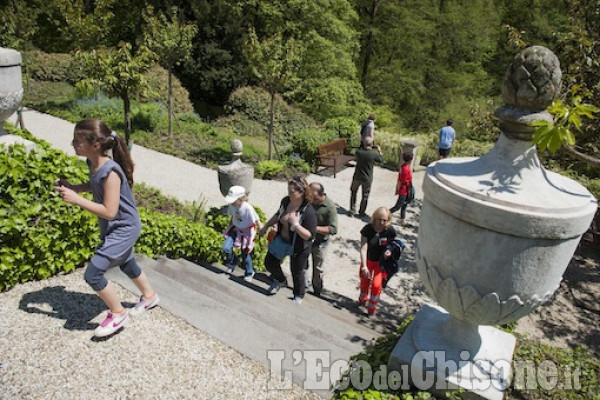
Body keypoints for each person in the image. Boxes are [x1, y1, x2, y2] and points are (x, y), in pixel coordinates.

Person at [55, 119, 159, 338]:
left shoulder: (111, 172)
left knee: (93, 274)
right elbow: (95, 186)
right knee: (127, 263)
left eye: (77, 141)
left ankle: (118, 312)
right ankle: (149, 296)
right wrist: (75, 188)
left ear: (95, 146)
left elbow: (109, 211)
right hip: (117, 226)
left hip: (124, 227)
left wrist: (76, 199)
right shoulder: (93, 164)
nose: (73, 144)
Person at [258, 176, 317, 304]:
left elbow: (309, 235)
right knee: (269, 262)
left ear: (301, 192)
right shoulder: (286, 201)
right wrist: (266, 227)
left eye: (292, 192)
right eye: (288, 190)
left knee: (296, 271)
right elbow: (277, 214)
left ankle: (298, 296)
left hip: (299, 245)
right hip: (282, 239)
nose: (288, 194)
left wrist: (296, 225)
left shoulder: (308, 211)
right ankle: (280, 280)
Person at [358, 207, 396, 316]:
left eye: (385, 220)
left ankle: (372, 308)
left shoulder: (389, 231)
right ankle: (362, 299)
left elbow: (393, 244)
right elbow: (363, 248)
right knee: (364, 280)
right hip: (369, 260)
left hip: (381, 263)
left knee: (376, 285)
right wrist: (364, 266)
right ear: (375, 218)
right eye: (380, 219)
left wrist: (389, 250)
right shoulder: (367, 229)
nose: (382, 223)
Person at [222, 185, 262, 283]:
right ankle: (233, 261)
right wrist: (228, 228)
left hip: (246, 231)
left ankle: (249, 272)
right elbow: (232, 218)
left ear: (240, 199)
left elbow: (256, 219)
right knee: (226, 247)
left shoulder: (248, 208)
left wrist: (261, 229)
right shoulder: (232, 206)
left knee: (245, 253)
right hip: (235, 229)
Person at [307, 182, 338, 296]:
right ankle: (303, 285)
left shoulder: (329, 207)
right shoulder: (308, 201)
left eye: (312, 194)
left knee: (317, 269)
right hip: (306, 238)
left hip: (320, 242)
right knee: (302, 263)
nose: (309, 195)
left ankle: (317, 290)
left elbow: (333, 229)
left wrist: (314, 228)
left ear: (321, 194)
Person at [349, 136, 383, 217]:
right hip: (367, 178)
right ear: (372, 144)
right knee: (365, 196)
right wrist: (379, 151)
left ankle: (352, 210)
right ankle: (361, 212)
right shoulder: (373, 154)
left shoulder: (359, 152)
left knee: (353, 193)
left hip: (357, 176)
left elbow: (355, 156)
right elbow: (381, 160)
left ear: (364, 143)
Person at [390, 153, 414, 226]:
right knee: (398, 206)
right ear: (410, 160)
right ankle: (385, 213)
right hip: (404, 189)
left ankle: (403, 221)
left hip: (407, 188)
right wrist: (397, 189)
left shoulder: (404, 166)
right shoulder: (405, 168)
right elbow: (401, 181)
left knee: (404, 205)